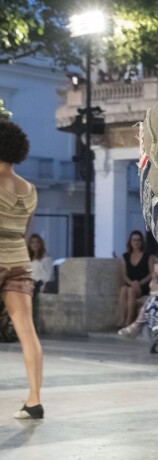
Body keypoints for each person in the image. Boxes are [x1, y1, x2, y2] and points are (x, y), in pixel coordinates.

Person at [0, 120, 44, 419]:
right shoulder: (29, 189)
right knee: (27, 332)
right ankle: (34, 400)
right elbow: (24, 232)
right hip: (19, 261)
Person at [117, 230, 154, 328]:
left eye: (138, 240)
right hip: (131, 284)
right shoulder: (125, 256)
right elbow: (124, 275)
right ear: (130, 242)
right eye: (133, 240)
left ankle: (129, 320)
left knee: (130, 290)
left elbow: (151, 273)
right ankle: (122, 319)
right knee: (124, 289)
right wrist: (132, 283)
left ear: (141, 242)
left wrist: (139, 283)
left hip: (143, 285)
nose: (136, 242)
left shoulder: (148, 256)